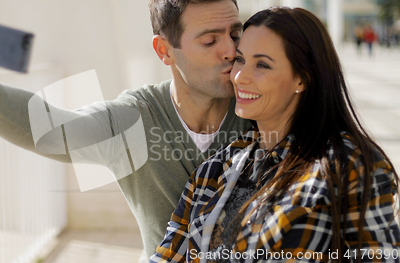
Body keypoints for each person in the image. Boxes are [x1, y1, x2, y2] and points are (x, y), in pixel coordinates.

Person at [0, 0, 251, 260]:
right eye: (210, 40)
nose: (230, 50)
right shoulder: (136, 118)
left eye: (236, 34)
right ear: (164, 51)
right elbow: (54, 129)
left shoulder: (263, 110)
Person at [150, 7, 400, 263]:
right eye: (240, 59)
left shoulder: (347, 165)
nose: (239, 76)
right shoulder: (212, 172)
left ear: (302, 78)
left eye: (262, 65)